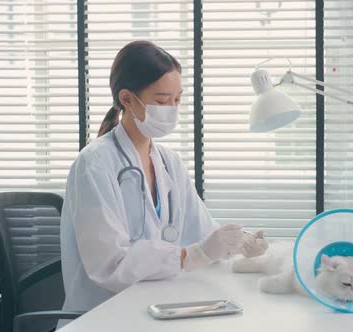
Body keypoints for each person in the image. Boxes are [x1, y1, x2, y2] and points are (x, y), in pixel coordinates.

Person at [59, 41, 268, 321]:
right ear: (127, 99)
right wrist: (190, 256)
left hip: (157, 306)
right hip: (103, 314)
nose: (171, 109)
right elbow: (109, 264)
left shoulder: (170, 164)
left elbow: (201, 234)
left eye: (177, 99)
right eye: (161, 100)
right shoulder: (94, 164)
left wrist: (238, 244)